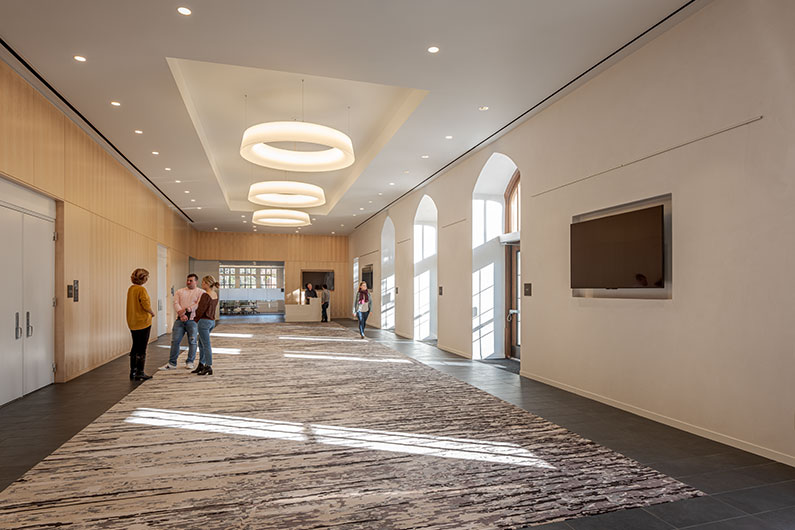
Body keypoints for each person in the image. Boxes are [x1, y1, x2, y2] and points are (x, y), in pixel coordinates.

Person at [160, 273, 204, 371]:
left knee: (192, 342)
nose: (188, 282)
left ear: (196, 282)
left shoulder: (201, 292)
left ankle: (190, 362)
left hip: (193, 320)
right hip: (179, 320)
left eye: (191, 281)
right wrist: (182, 315)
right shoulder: (180, 291)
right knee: (175, 341)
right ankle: (172, 363)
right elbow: (176, 303)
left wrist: (188, 309)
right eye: (187, 280)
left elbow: (198, 304)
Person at [126, 268, 155, 381]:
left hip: (132, 321)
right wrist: (151, 312)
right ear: (144, 278)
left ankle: (132, 371)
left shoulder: (131, 289)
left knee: (135, 346)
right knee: (142, 347)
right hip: (143, 322)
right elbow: (145, 304)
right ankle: (140, 372)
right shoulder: (141, 290)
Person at [192, 275, 220, 376]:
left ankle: (208, 366)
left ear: (208, 284)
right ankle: (201, 364)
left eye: (203, 282)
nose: (202, 284)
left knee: (206, 345)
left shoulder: (205, 295)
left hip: (204, 321)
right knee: (201, 343)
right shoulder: (215, 294)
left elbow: (200, 310)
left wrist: (195, 319)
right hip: (212, 322)